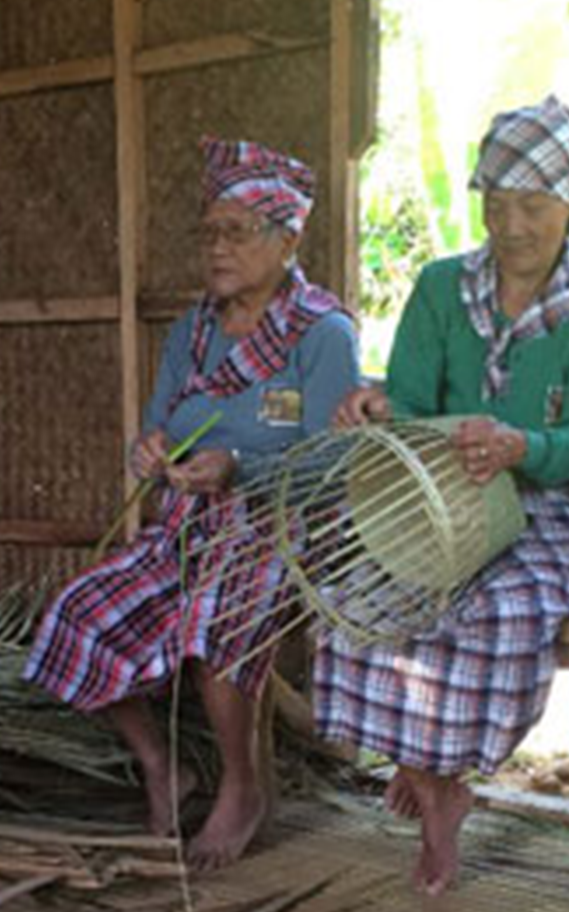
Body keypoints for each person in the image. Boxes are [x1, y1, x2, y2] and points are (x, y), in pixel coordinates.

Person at [322, 95, 569, 896]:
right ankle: (432, 776)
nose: (513, 225)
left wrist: (518, 446)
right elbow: (409, 398)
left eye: (533, 205)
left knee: (496, 614)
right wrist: (380, 408)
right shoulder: (441, 287)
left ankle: (440, 777)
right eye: (497, 205)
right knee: (354, 595)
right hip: (438, 495)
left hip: (546, 505)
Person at [23, 136, 361, 869]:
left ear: (287, 236)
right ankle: (161, 761)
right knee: (78, 615)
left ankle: (243, 787)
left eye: (236, 231)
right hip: (186, 522)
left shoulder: (322, 334)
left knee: (216, 623)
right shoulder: (194, 329)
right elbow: (159, 426)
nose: (216, 249)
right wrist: (147, 452)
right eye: (208, 232)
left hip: (280, 529)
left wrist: (239, 468)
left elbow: (331, 467)